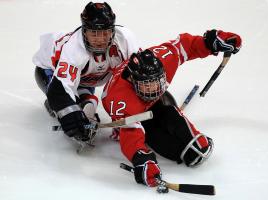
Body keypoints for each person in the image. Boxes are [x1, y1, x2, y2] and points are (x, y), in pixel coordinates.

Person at [101, 29, 242, 187]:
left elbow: (184, 45)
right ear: (133, 81)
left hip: (159, 102)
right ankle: (127, 130)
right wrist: (141, 158)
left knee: (175, 120)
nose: (154, 88)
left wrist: (212, 41)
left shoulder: (165, 58)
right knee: (161, 140)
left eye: (157, 81)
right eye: (147, 85)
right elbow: (130, 135)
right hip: (136, 113)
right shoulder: (119, 100)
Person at [32, 2, 140, 142]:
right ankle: (60, 106)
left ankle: (84, 101)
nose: (100, 40)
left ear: (112, 30)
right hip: (49, 71)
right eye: (94, 33)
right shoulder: (73, 49)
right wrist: (70, 114)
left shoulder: (124, 39)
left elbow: (139, 73)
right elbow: (59, 90)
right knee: (76, 111)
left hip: (86, 77)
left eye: (105, 33)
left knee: (88, 106)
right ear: (84, 31)